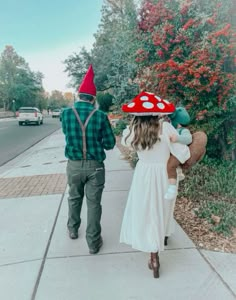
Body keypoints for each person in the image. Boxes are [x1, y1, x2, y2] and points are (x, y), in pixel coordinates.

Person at [119, 92, 190, 278]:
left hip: (143, 174)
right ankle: (157, 249)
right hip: (164, 173)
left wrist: (133, 125)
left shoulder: (133, 131)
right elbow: (183, 151)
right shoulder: (166, 128)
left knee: (147, 211)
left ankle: (154, 256)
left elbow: (126, 143)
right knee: (161, 211)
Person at [61, 65, 116, 255]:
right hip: (95, 167)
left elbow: (67, 133)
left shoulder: (66, 114)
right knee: (94, 204)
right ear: (93, 99)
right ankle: (93, 243)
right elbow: (109, 144)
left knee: (74, 197)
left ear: (79, 95)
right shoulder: (100, 116)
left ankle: (73, 229)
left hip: (74, 165)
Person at [165, 107, 207, 201]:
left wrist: (177, 138)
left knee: (170, 166)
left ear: (178, 123)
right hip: (176, 152)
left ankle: (172, 188)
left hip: (180, 152)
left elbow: (188, 139)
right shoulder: (174, 129)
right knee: (171, 165)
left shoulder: (183, 130)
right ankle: (178, 174)